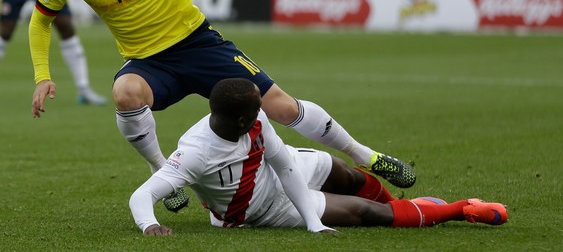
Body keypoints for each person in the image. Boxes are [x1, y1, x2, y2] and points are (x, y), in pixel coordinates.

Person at [29, 0, 416, 212]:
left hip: (197, 42)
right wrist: (43, 76)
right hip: (148, 61)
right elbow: (40, 19)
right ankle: (161, 171)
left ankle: (365, 155)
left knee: (281, 106)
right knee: (124, 93)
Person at [129, 78, 508, 236]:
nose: (265, 108)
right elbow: (141, 196)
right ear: (242, 119)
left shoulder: (253, 117)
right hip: (258, 209)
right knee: (366, 214)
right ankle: (462, 209)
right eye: (257, 109)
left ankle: (409, 207)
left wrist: (314, 223)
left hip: (277, 173)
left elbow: (283, 163)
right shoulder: (195, 153)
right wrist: (149, 226)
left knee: (349, 176)